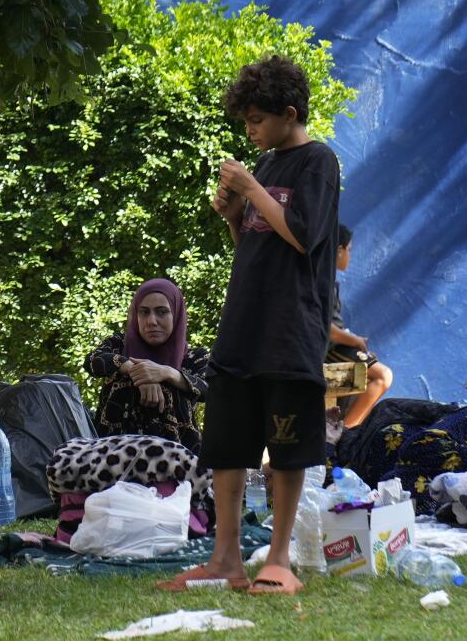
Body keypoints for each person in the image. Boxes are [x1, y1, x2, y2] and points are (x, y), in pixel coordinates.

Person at [163, 55, 340, 596]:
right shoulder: (263, 168)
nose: (251, 130)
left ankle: (280, 559)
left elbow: (303, 236)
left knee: (286, 444)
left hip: (291, 327)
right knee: (227, 442)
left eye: (258, 120)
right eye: (246, 122)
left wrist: (251, 188)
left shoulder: (318, 162)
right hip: (245, 322)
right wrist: (234, 216)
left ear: (289, 114)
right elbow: (257, 241)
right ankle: (225, 560)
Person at [85, 277, 212, 449]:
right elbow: (93, 361)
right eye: (144, 312)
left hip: (179, 465)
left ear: (176, 314)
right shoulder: (119, 345)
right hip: (112, 461)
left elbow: (210, 389)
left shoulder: (194, 357)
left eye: (162, 312)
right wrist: (135, 370)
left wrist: (166, 373)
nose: (152, 321)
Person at [328, 225, 393, 428]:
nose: (350, 255)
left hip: (336, 346)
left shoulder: (327, 280)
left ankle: (341, 428)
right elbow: (327, 329)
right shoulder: (321, 282)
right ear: (339, 250)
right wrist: (354, 340)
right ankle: (343, 432)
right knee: (383, 376)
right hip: (330, 349)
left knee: (363, 378)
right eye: (349, 249)